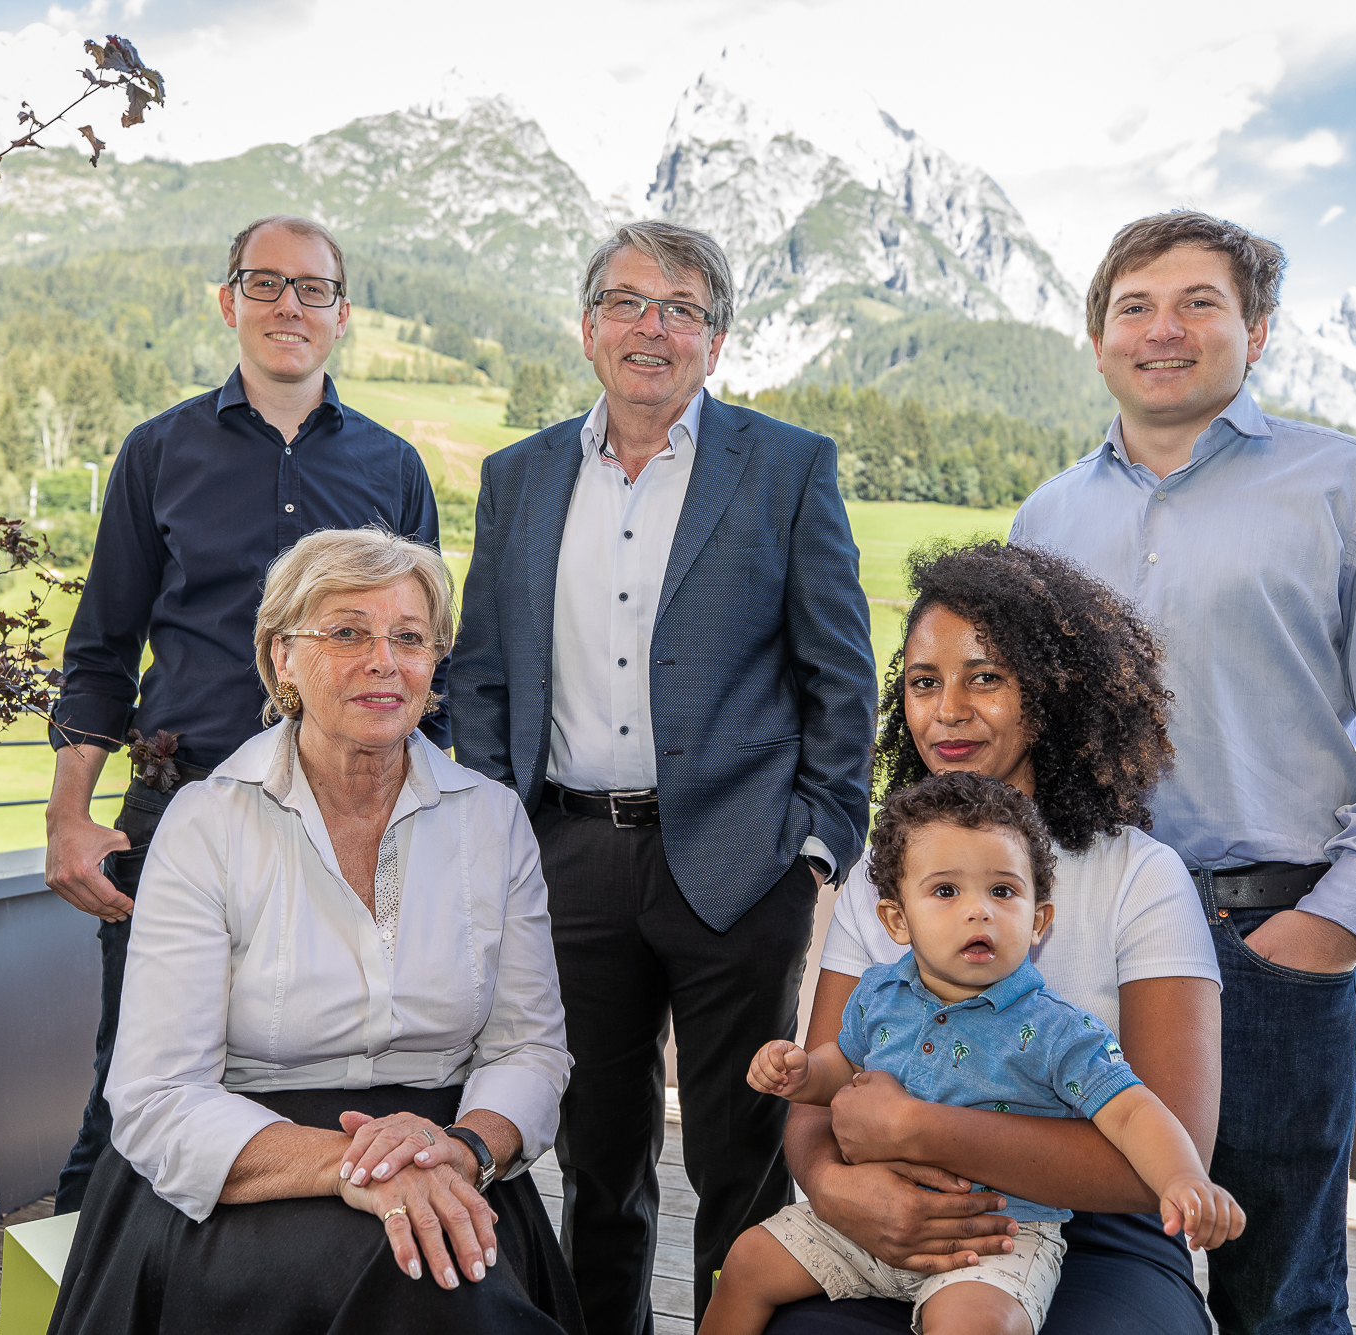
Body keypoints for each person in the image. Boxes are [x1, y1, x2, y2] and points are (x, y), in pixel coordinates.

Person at [1008, 210, 1356, 1334]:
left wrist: (1339, 920)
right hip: (1078, 945)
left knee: (1281, 1293)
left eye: (1196, 303)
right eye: (1133, 306)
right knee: (1073, 1269)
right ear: (1096, 338)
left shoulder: (1347, 487)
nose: (1161, 329)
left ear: (1255, 330)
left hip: (1266, 943)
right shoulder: (1044, 516)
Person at [449, 219, 876, 1333]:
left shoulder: (785, 468)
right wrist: (497, 830)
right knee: (597, 1152)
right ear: (588, 329)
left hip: (742, 858)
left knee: (742, 1155)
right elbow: (484, 672)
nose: (654, 327)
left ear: (715, 342)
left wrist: (819, 842)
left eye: (682, 308)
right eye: (629, 303)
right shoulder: (518, 477)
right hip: (567, 854)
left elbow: (839, 667)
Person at [49, 528, 578, 1335]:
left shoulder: (493, 821)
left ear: (435, 664)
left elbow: (529, 1051)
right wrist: (356, 1166)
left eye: (409, 636)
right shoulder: (206, 822)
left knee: (438, 1264)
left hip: (445, 1153)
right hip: (239, 1167)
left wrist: (462, 1148)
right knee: (429, 1281)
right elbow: (158, 1095)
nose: (383, 659)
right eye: (346, 632)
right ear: (281, 658)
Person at [44, 214, 445, 1214]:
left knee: (320, 1088)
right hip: (177, 813)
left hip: (348, 827)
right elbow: (100, 648)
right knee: (130, 1093)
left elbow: (425, 661)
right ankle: (87, 1300)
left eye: (312, 289)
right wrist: (68, 815)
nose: (287, 307)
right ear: (227, 302)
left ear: (342, 316)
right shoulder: (157, 453)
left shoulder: (392, 468)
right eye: (265, 284)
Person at [768, 539, 1223, 1335]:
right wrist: (837, 1189)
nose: (947, 711)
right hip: (894, 1207)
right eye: (922, 683)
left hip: (1103, 1233)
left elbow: (1173, 1149)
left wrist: (924, 1127)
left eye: (987, 678)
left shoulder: (1139, 877)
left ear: (1048, 694)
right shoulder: (883, 876)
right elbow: (820, 1097)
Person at [708, 773, 1243, 1335]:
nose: (978, 912)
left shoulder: (1058, 1031)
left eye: (1003, 892)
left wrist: (1183, 1177)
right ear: (896, 919)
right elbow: (844, 1067)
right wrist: (801, 1072)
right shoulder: (880, 994)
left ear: (1038, 921)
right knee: (747, 1261)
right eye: (946, 892)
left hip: (997, 1234)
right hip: (872, 1214)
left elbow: (1132, 1111)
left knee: (974, 1326)